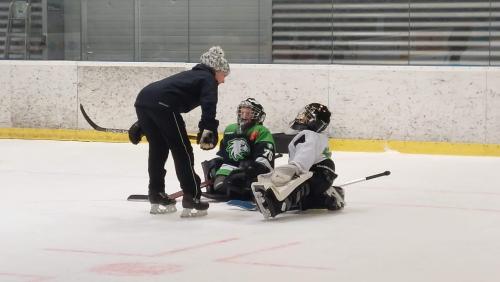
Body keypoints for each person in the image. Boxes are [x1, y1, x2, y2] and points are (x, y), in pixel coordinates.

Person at [133, 46, 230, 217]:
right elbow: (209, 105)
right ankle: (191, 196)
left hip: (143, 100)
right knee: (182, 151)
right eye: (224, 75)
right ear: (217, 70)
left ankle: (156, 193)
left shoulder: (192, 75)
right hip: (164, 107)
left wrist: (142, 124)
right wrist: (208, 130)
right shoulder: (208, 79)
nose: (223, 80)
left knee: (158, 149)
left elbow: (158, 95)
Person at [251, 103, 345, 219]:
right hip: (324, 171)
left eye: (306, 116)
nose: (301, 118)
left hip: (318, 170)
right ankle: (329, 198)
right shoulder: (317, 136)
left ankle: (277, 204)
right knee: (304, 200)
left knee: (299, 184)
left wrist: (296, 166)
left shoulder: (309, 135)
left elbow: (306, 153)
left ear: (314, 122)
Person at [201, 98, 276, 201]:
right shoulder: (230, 129)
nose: (244, 116)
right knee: (219, 186)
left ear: (257, 116)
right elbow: (224, 152)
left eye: (248, 113)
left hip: (250, 169)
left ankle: (243, 190)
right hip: (231, 167)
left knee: (238, 185)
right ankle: (234, 189)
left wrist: (254, 167)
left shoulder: (260, 130)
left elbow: (265, 155)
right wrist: (218, 161)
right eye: (242, 112)